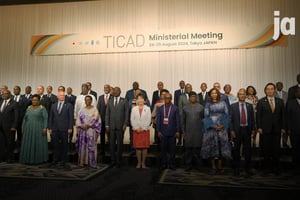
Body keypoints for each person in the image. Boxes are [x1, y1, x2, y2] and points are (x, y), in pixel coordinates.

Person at [256, 83, 286, 174]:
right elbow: (258, 116)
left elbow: (283, 116)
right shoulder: (261, 101)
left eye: (271, 89)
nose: (269, 90)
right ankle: (266, 168)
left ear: (274, 90)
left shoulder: (280, 101)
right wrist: (259, 127)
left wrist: (283, 127)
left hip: (277, 129)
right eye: (268, 89)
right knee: (266, 149)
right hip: (265, 129)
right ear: (265, 91)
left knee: (276, 149)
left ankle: (276, 168)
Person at [201, 88, 231, 174]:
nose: (214, 94)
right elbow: (206, 116)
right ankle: (213, 166)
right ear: (210, 95)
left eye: (215, 93)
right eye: (212, 93)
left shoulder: (223, 103)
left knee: (221, 146)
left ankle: (220, 166)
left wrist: (223, 125)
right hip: (211, 128)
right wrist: (213, 126)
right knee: (212, 145)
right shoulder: (207, 104)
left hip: (222, 127)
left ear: (218, 94)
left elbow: (227, 114)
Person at [230, 88, 256, 177]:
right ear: (238, 95)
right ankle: (236, 169)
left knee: (248, 150)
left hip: (247, 130)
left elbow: (252, 119)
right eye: (240, 94)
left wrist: (253, 130)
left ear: (246, 95)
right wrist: (231, 130)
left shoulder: (249, 106)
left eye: (243, 94)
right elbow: (230, 120)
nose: (242, 95)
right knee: (236, 151)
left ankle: (247, 168)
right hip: (237, 130)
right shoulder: (233, 106)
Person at [19, 94, 48, 164]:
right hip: (28, 128)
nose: (34, 101)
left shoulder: (42, 108)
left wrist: (45, 128)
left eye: (36, 100)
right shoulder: (28, 108)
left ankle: (38, 160)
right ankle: (27, 159)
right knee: (28, 143)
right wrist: (23, 127)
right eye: (33, 100)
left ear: (39, 101)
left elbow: (45, 119)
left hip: (38, 128)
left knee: (38, 144)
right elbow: (25, 119)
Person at [48, 91, 74, 168]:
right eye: (61, 95)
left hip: (65, 129)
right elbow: (51, 118)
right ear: (57, 96)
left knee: (64, 145)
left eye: (63, 95)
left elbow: (71, 118)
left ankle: (64, 161)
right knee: (55, 145)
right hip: (54, 129)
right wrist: (50, 127)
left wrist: (70, 127)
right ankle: (55, 160)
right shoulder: (53, 105)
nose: (62, 96)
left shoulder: (69, 105)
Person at [75, 95, 101, 168]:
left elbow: (96, 119)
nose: (87, 101)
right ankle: (82, 162)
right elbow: (78, 119)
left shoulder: (95, 109)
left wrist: (89, 125)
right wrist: (81, 125)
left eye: (89, 100)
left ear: (91, 101)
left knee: (91, 146)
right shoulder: (81, 110)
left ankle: (91, 162)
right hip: (83, 131)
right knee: (83, 146)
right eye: (86, 100)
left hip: (90, 131)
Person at [105, 87, 129, 168]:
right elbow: (107, 113)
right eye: (114, 91)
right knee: (111, 145)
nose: (115, 92)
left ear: (120, 91)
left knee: (119, 145)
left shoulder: (124, 100)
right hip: (111, 127)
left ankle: (118, 161)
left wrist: (125, 124)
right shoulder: (110, 100)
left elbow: (126, 113)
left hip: (120, 127)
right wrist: (107, 125)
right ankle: (112, 161)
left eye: (116, 91)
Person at [156, 93, 180, 170]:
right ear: (164, 99)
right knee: (163, 150)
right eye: (166, 98)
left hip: (172, 133)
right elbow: (158, 120)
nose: (167, 99)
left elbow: (177, 120)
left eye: (169, 98)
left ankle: (172, 164)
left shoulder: (175, 108)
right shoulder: (160, 108)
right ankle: (164, 164)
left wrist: (178, 131)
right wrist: (158, 131)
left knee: (173, 150)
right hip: (162, 132)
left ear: (171, 99)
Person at [182, 91, 204, 171]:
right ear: (189, 98)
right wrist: (183, 132)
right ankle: (188, 165)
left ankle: (198, 166)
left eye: (194, 96)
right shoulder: (185, 108)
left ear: (196, 97)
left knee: (198, 150)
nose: (193, 98)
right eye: (191, 97)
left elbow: (203, 120)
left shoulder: (201, 107)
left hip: (198, 132)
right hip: (188, 132)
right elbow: (183, 121)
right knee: (188, 151)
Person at [130, 94, 152, 169]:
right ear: (137, 100)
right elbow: (132, 119)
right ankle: (139, 163)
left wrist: (143, 128)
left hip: (145, 130)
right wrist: (136, 128)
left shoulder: (148, 109)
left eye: (141, 99)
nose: (140, 100)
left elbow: (149, 119)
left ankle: (143, 163)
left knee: (144, 147)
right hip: (136, 131)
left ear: (144, 100)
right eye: (138, 99)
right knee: (138, 147)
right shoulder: (134, 109)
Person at [0, 89, 18, 163]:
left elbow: (17, 116)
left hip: (10, 127)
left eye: (6, 94)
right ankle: (2, 158)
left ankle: (10, 158)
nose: (4, 95)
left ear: (10, 95)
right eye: (3, 94)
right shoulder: (0, 102)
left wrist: (14, 126)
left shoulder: (14, 103)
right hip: (0, 127)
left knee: (10, 143)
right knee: (1, 143)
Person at [97, 84, 113, 157]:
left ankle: (110, 150)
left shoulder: (112, 97)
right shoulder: (100, 97)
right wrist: (99, 117)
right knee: (102, 136)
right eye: (105, 87)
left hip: (110, 120)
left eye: (107, 87)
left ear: (109, 89)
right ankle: (102, 150)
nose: (106, 89)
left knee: (110, 136)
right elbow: (98, 108)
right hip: (102, 120)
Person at [286, 87, 300, 169]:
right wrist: (288, 129)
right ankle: (295, 166)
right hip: (294, 130)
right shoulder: (290, 103)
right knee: (295, 149)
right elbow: (287, 117)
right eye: (299, 92)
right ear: (296, 94)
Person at [275, 81, 289, 149]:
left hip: (285, 114)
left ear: (282, 86)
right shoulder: (273, 93)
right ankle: (277, 145)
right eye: (278, 85)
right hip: (276, 114)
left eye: (281, 85)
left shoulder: (286, 94)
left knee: (285, 129)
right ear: (276, 86)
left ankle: (284, 143)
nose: (279, 86)